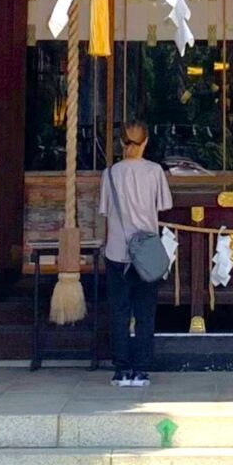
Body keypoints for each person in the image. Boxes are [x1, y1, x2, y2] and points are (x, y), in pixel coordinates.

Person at [98, 121, 172, 388]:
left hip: (117, 250)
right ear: (146, 142)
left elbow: (105, 212)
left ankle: (120, 369)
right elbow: (163, 206)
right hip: (147, 253)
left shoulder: (110, 174)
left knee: (118, 311)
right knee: (145, 311)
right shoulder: (154, 172)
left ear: (120, 143)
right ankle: (141, 369)